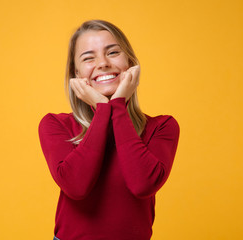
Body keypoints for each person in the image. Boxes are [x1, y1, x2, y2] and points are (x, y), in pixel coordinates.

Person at [38, 20, 180, 240]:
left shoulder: (162, 127)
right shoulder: (56, 125)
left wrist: (117, 106)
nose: (103, 63)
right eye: (88, 57)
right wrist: (104, 110)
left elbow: (143, 184)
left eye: (113, 52)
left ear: (130, 63)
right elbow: (76, 187)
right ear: (76, 74)